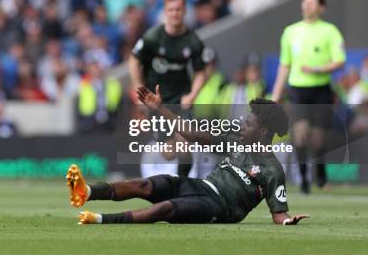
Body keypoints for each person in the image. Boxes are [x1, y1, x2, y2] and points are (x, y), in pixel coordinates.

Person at [65, 86, 308, 226]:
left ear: (263, 131)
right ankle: (85, 192)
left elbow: (279, 214)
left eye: (248, 123)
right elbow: (192, 134)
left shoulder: (272, 170)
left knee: (166, 208)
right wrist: (160, 108)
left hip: (219, 206)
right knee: (147, 185)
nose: (241, 125)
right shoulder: (235, 141)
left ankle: (98, 219)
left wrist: (287, 222)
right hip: (201, 186)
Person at [272, 0, 346, 194]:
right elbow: (284, 65)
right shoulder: (290, 32)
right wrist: (276, 94)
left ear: (321, 7)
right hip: (297, 90)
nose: (307, 5)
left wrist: (318, 70)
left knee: (318, 140)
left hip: (322, 90)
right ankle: (304, 177)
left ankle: (321, 176)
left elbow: (340, 61)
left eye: (312, 2)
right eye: (304, 1)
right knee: (300, 135)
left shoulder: (330, 31)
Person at [128, 0, 207, 176]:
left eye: (178, 9)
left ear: (184, 11)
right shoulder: (153, 38)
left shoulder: (192, 41)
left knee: (186, 141)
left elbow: (201, 72)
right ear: (165, 11)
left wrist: (192, 94)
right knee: (169, 154)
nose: (175, 14)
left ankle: (183, 186)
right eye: (171, 10)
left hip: (181, 101)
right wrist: (140, 91)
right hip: (157, 102)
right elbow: (133, 60)